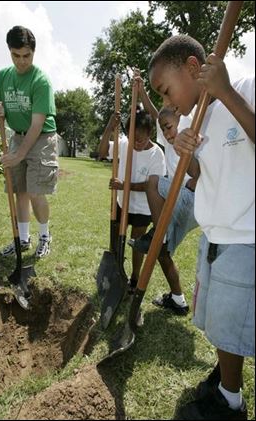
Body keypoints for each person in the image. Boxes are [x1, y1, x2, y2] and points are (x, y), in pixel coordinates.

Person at [149, 34, 254, 420]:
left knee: (232, 320)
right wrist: (186, 154)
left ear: (193, 69)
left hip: (244, 235)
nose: (166, 102)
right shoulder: (195, 118)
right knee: (218, 321)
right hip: (214, 234)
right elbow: (198, 174)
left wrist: (225, 92)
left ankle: (230, 403)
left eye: (165, 91)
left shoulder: (243, 89)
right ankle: (224, 375)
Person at [0, 26, 58, 259]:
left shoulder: (41, 81)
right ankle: (23, 239)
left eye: (26, 55)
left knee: (35, 190)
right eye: (16, 55)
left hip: (41, 138)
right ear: (10, 52)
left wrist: (19, 155)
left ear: (33, 52)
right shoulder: (3, 76)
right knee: (19, 191)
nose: (21, 61)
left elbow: (37, 124)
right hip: (17, 136)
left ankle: (44, 236)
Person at [129, 105, 198, 316]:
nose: (168, 133)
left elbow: (204, 171)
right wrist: (140, 92)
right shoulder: (170, 141)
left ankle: (158, 234)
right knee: (162, 251)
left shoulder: (190, 135)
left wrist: (194, 181)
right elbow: (157, 114)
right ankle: (178, 300)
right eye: (164, 130)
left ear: (181, 119)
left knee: (153, 182)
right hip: (186, 207)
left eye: (169, 127)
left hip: (190, 200)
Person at [99, 106, 166, 294]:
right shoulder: (124, 143)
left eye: (141, 139)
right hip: (122, 204)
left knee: (137, 243)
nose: (136, 143)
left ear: (150, 133)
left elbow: (150, 186)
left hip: (143, 209)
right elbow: (102, 152)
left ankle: (135, 278)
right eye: (132, 138)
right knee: (116, 241)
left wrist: (125, 185)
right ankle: (116, 272)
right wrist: (108, 129)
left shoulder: (157, 154)